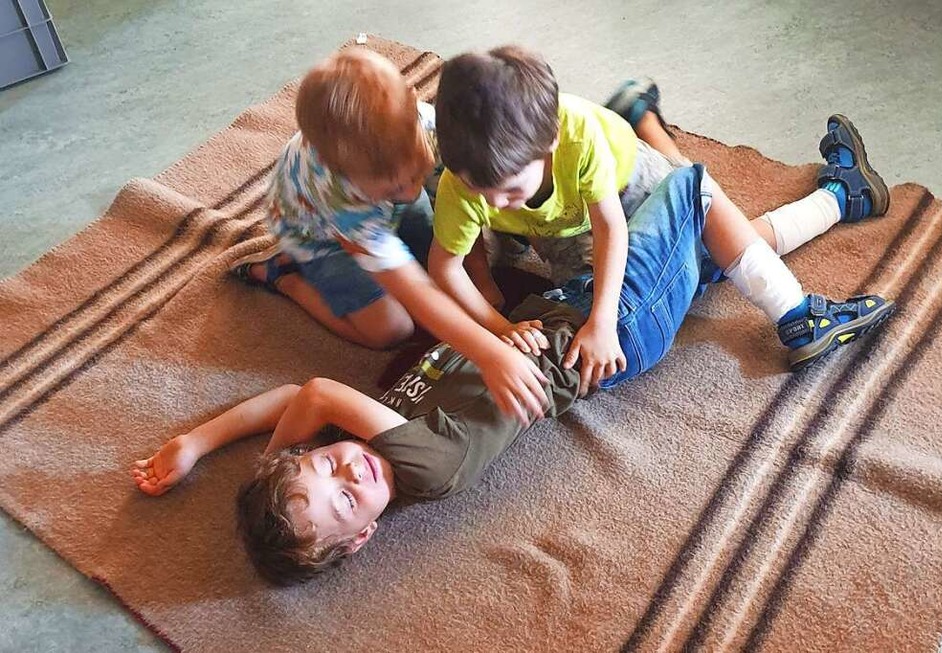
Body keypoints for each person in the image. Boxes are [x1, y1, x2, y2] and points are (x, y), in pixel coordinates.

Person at [132, 151, 894, 585]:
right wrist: (277, 462)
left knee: (717, 248)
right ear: (362, 537)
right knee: (690, 189)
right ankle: (801, 318)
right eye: (339, 503)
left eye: (324, 466)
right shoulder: (423, 468)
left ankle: (841, 196)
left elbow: (294, 405)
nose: (345, 475)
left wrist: (200, 442)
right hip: (612, 327)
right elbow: (312, 392)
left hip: (571, 310)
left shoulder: (381, 445)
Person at [428, 45, 893, 380]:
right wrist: (499, 329)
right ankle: (840, 194)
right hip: (565, 230)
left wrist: (603, 322)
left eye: (508, 190)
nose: (490, 204)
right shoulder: (464, 178)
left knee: (704, 214)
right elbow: (444, 266)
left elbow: (611, 226)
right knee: (713, 254)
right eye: (477, 189)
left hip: (631, 184)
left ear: (548, 144)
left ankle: (802, 304)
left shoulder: (578, 136)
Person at [233, 47, 550, 424]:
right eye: (393, 186)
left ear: (415, 107)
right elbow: (412, 289)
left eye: (417, 172)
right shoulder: (341, 196)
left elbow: (456, 209)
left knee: (439, 239)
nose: (412, 191)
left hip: (376, 212)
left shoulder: (426, 124)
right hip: (320, 235)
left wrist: (480, 279)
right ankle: (284, 277)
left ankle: (393, 206)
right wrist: (490, 351)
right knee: (390, 330)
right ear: (340, 169)